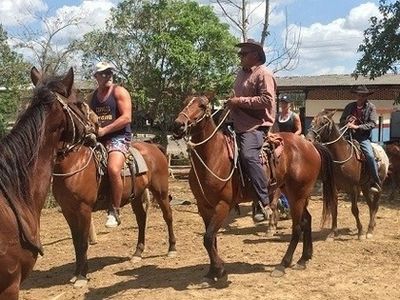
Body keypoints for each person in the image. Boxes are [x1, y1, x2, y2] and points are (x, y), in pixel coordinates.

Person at [227, 38, 277, 223]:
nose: (240, 56)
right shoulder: (240, 74)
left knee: (248, 156)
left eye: (243, 53)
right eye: (240, 53)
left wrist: (238, 102)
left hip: (255, 126)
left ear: (255, 55)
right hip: (234, 123)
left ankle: (263, 201)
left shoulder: (263, 74)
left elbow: (267, 100)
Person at [89, 62, 133, 228]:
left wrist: (104, 130)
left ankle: (114, 210)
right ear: (96, 77)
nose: (107, 76)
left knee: (113, 169)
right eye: (103, 73)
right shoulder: (93, 97)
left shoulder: (119, 92)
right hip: (98, 137)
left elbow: (127, 117)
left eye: (109, 73)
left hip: (119, 137)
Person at [339, 84, 381, 193]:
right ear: (356, 95)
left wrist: (357, 127)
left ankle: (375, 181)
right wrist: (348, 120)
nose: (360, 97)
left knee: (370, 156)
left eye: (363, 95)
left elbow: (372, 123)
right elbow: (342, 120)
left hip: (362, 137)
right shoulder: (349, 106)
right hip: (347, 135)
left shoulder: (371, 107)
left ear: (366, 96)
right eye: (358, 95)